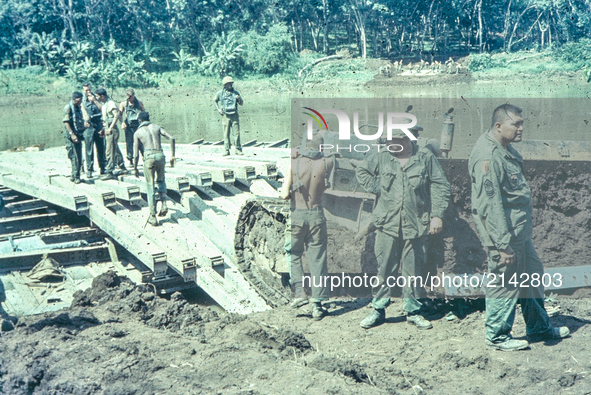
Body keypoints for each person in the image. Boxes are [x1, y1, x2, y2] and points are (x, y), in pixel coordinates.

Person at [469, 104, 570, 351]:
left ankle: (538, 328)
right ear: (498, 126)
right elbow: (489, 207)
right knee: (504, 283)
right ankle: (497, 336)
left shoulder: (504, 149)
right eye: (516, 124)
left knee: (533, 275)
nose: (522, 128)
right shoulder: (488, 157)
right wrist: (502, 246)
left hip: (519, 233)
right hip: (504, 236)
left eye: (522, 123)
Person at [355, 131, 451, 330]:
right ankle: (378, 310)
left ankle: (413, 311)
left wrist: (437, 215)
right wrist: (376, 187)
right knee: (384, 269)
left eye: (396, 141)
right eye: (389, 141)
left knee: (413, 271)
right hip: (387, 224)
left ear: (409, 141)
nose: (391, 145)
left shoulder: (424, 158)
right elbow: (361, 171)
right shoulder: (382, 157)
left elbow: (440, 185)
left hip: (415, 225)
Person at [280, 134, 334, 320]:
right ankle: (317, 305)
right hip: (317, 215)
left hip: (297, 215)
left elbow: (284, 194)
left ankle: (299, 294)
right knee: (318, 258)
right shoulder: (328, 163)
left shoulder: (294, 163)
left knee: (293, 253)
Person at [133, 111, 176, 227]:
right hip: (160, 155)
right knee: (161, 181)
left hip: (149, 157)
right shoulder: (157, 127)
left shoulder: (138, 133)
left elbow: (136, 154)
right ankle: (164, 204)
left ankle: (152, 216)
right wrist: (172, 156)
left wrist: (135, 168)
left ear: (140, 121)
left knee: (150, 185)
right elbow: (171, 138)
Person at [95, 88, 127, 180]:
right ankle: (122, 167)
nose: (96, 98)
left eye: (97, 96)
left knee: (109, 151)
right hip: (108, 128)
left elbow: (116, 115)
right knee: (115, 149)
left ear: (102, 96)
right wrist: (103, 129)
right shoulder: (104, 104)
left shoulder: (110, 103)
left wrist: (110, 128)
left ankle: (109, 171)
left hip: (112, 130)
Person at [62, 91, 90, 184]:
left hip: (78, 133)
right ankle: (76, 176)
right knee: (74, 156)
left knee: (78, 155)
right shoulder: (68, 108)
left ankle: (74, 175)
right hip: (71, 135)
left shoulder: (78, 107)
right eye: (80, 99)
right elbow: (66, 122)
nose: (81, 101)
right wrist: (72, 134)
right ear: (74, 99)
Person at [213, 76, 243, 156]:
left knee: (236, 133)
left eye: (231, 83)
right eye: (228, 84)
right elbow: (214, 100)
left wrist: (239, 98)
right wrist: (218, 109)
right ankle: (226, 150)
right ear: (225, 85)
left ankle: (238, 149)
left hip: (234, 115)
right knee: (226, 133)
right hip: (225, 116)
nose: (230, 85)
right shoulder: (220, 93)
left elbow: (241, 103)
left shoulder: (236, 93)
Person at [82, 82, 106, 178]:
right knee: (89, 149)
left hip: (98, 126)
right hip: (88, 127)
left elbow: (102, 109)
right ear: (83, 90)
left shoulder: (96, 98)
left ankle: (103, 168)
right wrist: (83, 122)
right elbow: (80, 113)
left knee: (101, 148)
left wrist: (95, 101)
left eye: (89, 89)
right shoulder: (82, 101)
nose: (88, 92)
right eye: (86, 90)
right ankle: (89, 169)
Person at [119, 88, 145, 166]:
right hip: (128, 125)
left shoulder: (139, 103)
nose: (130, 98)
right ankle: (130, 159)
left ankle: (145, 157)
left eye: (132, 96)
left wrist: (140, 115)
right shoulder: (123, 104)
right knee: (129, 142)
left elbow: (144, 113)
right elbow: (119, 115)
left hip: (137, 125)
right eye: (129, 97)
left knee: (140, 142)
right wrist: (122, 122)